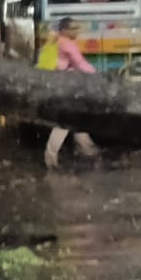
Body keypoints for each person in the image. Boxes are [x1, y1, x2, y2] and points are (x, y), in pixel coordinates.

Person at [45, 18, 101, 169]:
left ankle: (87, 149)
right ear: (64, 30)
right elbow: (81, 64)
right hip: (65, 86)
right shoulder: (67, 44)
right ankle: (50, 158)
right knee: (65, 121)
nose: (77, 31)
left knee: (74, 118)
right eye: (74, 28)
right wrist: (98, 76)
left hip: (55, 83)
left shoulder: (54, 41)